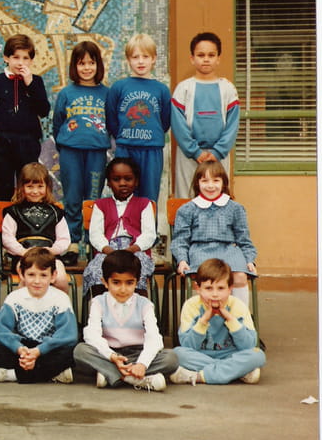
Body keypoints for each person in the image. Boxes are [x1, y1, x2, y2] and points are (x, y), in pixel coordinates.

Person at [74, 250, 179, 391]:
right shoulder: (98, 302)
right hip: (110, 354)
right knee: (80, 351)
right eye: (116, 282)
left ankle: (110, 374)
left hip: (138, 353)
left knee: (171, 358)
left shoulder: (145, 304)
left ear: (137, 282)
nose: (123, 289)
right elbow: (92, 335)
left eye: (129, 283)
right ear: (105, 282)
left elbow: (154, 338)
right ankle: (132, 378)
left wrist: (142, 364)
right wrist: (111, 356)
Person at [0, 248, 77, 384]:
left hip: (47, 348)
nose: (37, 281)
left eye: (43, 275)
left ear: (53, 276)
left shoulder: (61, 299)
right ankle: (50, 373)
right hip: (23, 347)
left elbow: (68, 335)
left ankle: (10, 375)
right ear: (22, 274)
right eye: (31, 274)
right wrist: (19, 349)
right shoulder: (15, 298)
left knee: (69, 354)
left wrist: (38, 351)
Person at [170, 161, 257, 307]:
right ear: (197, 183)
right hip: (200, 251)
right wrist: (182, 260)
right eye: (205, 181)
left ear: (223, 183)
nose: (210, 186)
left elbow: (244, 239)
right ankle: (204, 316)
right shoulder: (187, 209)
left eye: (216, 180)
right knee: (205, 279)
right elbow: (180, 240)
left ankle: (238, 317)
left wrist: (249, 260)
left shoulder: (235, 208)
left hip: (228, 250)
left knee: (240, 276)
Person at [53, 41, 110, 264]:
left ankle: (93, 241)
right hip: (70, 152)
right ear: (74, 66)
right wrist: (66, 143)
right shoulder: (66, 93)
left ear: (98, 65)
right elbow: (58, 122)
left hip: (96, 152)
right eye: (81, 63)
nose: (86, 68)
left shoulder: (107, 93)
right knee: (73, 198)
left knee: (93, 199)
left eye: (91, 63)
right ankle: (73, 243)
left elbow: (112, 123)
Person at [170, 258, 265, 386]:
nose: (215, 294)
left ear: (230, 288)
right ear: (198, 288)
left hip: (230, 354)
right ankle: (237, 372)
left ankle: (198, 376)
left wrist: (230, 319)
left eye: (221, 288)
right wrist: (204, 320)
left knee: (257, 355)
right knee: (177, 354)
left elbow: (249, 345)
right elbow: (187, 345)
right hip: (200, 354)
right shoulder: (191, 305)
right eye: (208, 288)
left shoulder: (238, 306)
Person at [0, 33, 50, 201]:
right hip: (2, 142)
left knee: (28, 185)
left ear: (31, 61)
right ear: (6, 58)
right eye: (16, 57)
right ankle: (0, 217)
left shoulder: (36, 82)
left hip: (28, 142)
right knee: (0, 187)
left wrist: (30, 83)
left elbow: (44, 110)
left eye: (25, 58)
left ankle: (26, 216)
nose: (20, 63)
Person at [171, 32, 240, 198]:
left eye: (211, 55)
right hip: (189, 156)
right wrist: (195, 152)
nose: (206, 59)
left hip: (219, 157)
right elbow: (178, 124)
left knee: (218, 197)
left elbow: (232, 125)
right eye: (201, 55)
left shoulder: (228, 89)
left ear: (218, 58)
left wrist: (218, 151)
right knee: (186, 198)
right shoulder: (184, 88)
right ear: (192, 58)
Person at [105, 33, 171, 203]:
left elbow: (165, 121)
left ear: (154, 58)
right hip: (125, 149)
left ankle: (149, 223)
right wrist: (123, 136)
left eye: (145, 56)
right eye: (135, 57)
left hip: (152, 150)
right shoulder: (119, 87)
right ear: (128, 59)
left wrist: (151, 134)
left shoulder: (162, 89)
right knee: (124, 196)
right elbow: (111, 119)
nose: (140, 61)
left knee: (149, 198)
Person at [83, 158, 156, 298]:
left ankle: (138, 309)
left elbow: (149, 234)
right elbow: (95, 234)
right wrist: (109, 251)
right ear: (108, 183)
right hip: (107, 251)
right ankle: (101, 308)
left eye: (128, 179)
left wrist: (131, 250)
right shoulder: (100, 205)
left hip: (135, 251)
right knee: (96, 271)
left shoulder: (144, 204)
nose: (122, 183)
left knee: (137, 270)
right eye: (116, 179)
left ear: (136, 181)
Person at [1, 162, 70, 293]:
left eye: (40, 186)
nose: (35, 191)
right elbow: (7, 238)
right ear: (21, 187)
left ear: (47, 187)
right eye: (30, 187)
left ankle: (61, 305)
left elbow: (64, 239)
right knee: (27, 281)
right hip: (24, 257)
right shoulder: (13, 212)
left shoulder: (56, 212)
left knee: (61, 279)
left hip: (50, 257)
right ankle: (23, 305)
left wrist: (52, 251)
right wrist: (23, 252)